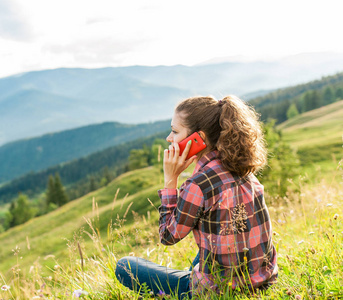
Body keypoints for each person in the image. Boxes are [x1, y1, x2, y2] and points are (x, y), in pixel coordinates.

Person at [115, 95, 278, 299]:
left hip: (217, 292)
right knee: (211, 245)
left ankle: (176, 293)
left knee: (124, 266)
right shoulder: (244, 169)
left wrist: (170, 180)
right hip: (263, 283)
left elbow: (168, 236)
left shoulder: (198, 185)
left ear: (197, 138)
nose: (169, 138)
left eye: (175, 131)